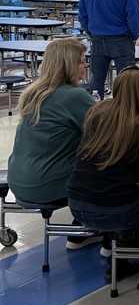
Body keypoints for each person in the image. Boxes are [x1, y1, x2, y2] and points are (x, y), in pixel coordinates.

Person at [68, 67, 139, 292]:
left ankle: (117, 263)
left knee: (127, 192)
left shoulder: (96, 113)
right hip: (115, 209)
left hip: (76, 206)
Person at [7, 38, 103, 249]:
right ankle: (104, 232)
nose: (85, 65)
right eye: (81, 61)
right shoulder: (74, 96)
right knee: (109, 161)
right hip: (45, 185)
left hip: (18, 180)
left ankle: (82, 229)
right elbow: (105, 132)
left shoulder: (33, 93)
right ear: (67, 65)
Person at [78, 0, 139, 98]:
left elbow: (82, 16)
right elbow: (133, 16)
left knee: (97, 80)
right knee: (126, 80)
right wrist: (134, 35)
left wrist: (92, 32)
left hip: (97, 40)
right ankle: (124, 114)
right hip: (121, 40)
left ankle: (96, 113)